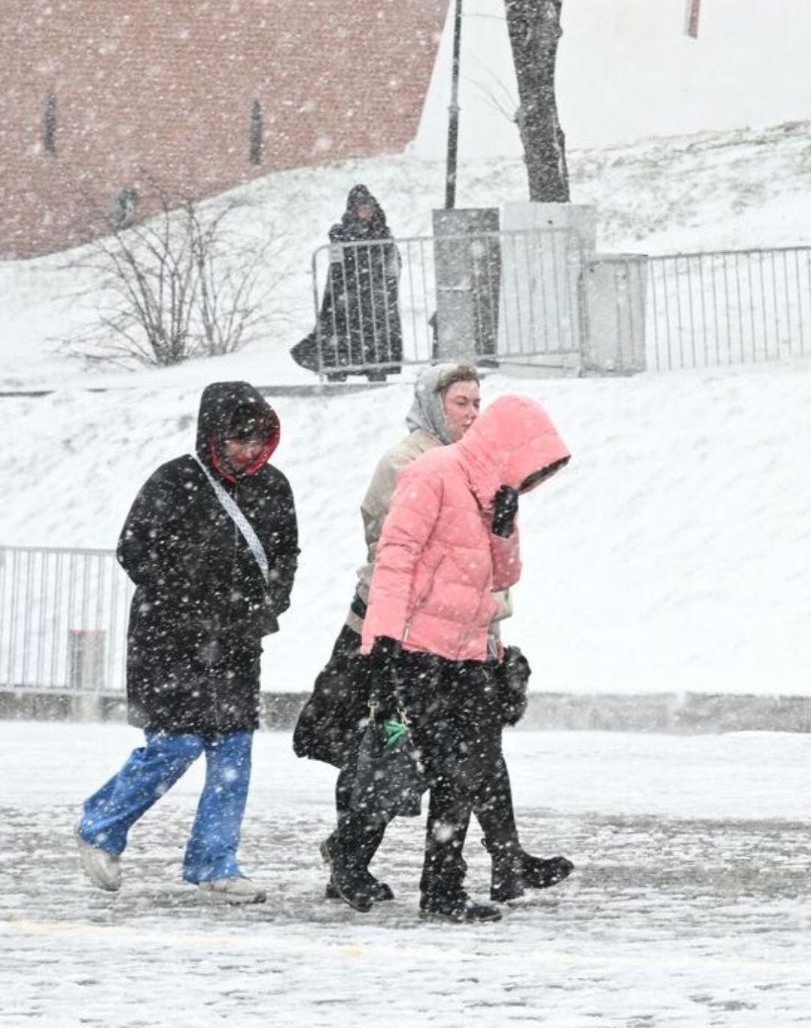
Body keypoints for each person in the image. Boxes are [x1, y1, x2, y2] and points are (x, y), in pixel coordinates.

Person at [294, 364, 572, 914]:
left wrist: (503, 524)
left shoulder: (488, 489)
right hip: (418, 649)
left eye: (477, 403)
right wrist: (383, 641)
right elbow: (395, 556)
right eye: (460, 402)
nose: (469, 413)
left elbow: (503, 575)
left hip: (468, 649)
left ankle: (436, 887)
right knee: (427, 764)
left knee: (462, 770)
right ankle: (385, 867)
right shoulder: (431, 471)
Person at [76, 382, 298, 904]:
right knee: (174, 745)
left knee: (233, 752)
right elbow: (133, 550)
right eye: (238, 437)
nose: (248, 449)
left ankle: (214, 862)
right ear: (213, 434)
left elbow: (287, 556)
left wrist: (268, 606)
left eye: (257, 439)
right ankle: (100, 827)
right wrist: (192, 602)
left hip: (239, 641)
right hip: (169, 639)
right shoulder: (175, 480)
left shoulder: (275, 487)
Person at [292, 184, 402, 381]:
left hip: (372, 293)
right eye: (361, 208)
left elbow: (391, 261)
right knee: (342, 334)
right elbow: (338, 264)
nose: (366, 212)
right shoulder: (343, 233)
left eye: (369, 207)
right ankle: (338, 371)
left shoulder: (382, 231)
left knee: (373, 335)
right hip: (348, 291)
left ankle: (376, 370)